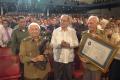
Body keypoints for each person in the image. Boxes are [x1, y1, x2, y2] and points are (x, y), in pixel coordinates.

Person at [50, 14, 79, 80]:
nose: (62, 22)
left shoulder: (72, 31)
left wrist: (69, 45)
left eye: (64, 21)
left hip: (69, 60)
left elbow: (76, 43)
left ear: (68, 22)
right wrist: (60, 45)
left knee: (68, 77)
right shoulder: (55, 31)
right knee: (58, 78)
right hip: (58, 60)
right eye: (61, 20)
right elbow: (52, 44)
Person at [79, 15, 107, 80]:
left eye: (91, 23)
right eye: (88, 23)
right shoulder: (85, 34)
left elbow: (107, 49)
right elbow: (81, 48)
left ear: (97, 23)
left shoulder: (103, 33)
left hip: (96, 66)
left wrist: (100, 40)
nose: (89, 25)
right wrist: (81, 58)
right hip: (86, 65)